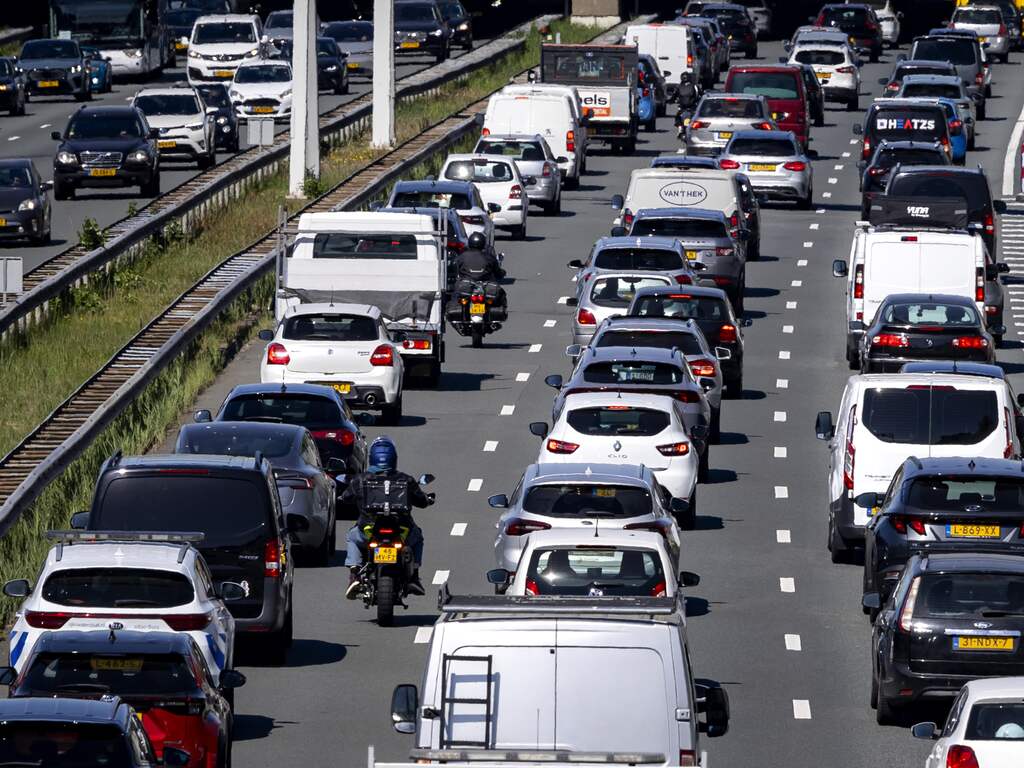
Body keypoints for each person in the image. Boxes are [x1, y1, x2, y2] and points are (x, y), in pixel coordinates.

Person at [341, 436, 432, 599]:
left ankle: (354, 574)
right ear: (394, 458)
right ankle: (414, 575)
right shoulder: (405, 479)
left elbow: (346, 497)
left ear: (372, 458)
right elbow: (422, 501)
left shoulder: (361, 479)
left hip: (368, 530)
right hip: (402, 530)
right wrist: (427, 499)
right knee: (418, 537)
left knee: (352, 537)